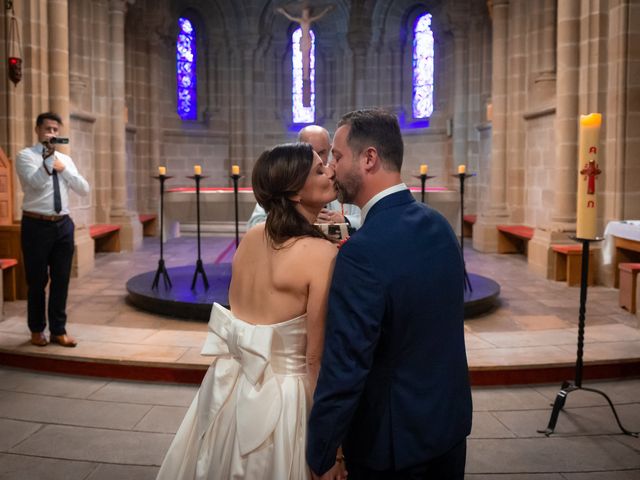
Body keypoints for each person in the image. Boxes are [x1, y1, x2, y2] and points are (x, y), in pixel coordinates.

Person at [157, 143, 346, 480]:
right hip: (286, 400)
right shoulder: (321, 254)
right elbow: (316, 360)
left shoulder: (251, 238)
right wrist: (331, 446)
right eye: (319, 170)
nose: (330, 171)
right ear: (295, 193)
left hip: (231, 389)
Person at [307, 109, 472, 479]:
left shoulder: (362, 253)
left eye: (336, 156)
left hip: (392, 447)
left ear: (369, 158)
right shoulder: (439, 226)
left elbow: (346, 364)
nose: (330, 168)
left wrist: (322, 452)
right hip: (448, 430)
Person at [16, 112, 90, 348]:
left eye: (56, 130)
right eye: (48, 129)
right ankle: (37, 330)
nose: (52, 133)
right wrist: (48, 161)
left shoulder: (65, 160)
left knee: (61, 280)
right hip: (36, 225)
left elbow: (84, 188)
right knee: (37, 281)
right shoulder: (25, 156)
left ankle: (58, 330)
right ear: (37, 130)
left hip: (63, 225)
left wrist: (63, 168)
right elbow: (35, 183)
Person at [247, 125, 361, 230]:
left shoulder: (341, 179)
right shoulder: (286, 182)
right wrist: (303, 221)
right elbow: (255, 224)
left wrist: (345, 219)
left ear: (330, 149)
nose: (314, 158)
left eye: (321, 153)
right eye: (309, 153)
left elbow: (367, 217)